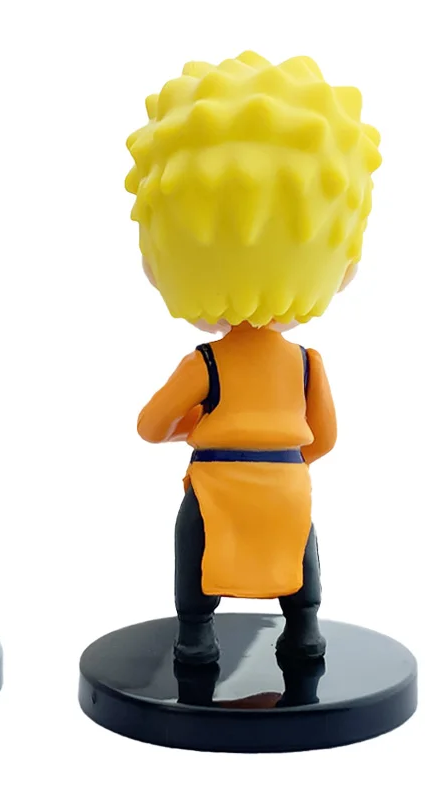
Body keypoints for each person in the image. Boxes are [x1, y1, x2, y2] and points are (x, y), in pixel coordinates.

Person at [126, 52, 382, 664]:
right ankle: (304, 630)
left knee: (199, 555)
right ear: (345, 262)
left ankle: (196, 636)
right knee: (298, 554)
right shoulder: (307, 362)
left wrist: (199, 429)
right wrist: (282, 458)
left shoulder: (205, 363)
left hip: (217, 482)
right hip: (286, 481)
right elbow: (325, 439)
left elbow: (150, 426)